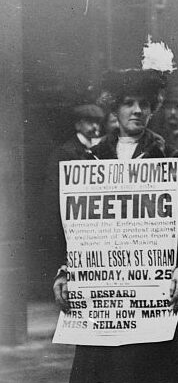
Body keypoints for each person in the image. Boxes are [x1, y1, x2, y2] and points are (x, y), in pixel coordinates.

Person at [52, 45, 178, 383]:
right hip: (105, 289)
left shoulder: (168, 158)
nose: (138, 111)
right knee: (108, 372)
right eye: (129, 104)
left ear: (154, 108)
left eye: (145, 104)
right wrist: (64, 270)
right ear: (114, 109)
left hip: (153, 287)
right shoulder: (88, 160)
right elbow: (72, 227)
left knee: (150, 372)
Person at [43, 104, 104, 277]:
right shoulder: (65, 152)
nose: (95, 127)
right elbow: (52, 196)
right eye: (89, 122)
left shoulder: (98, 150)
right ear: (78, 125)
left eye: (98, 122)